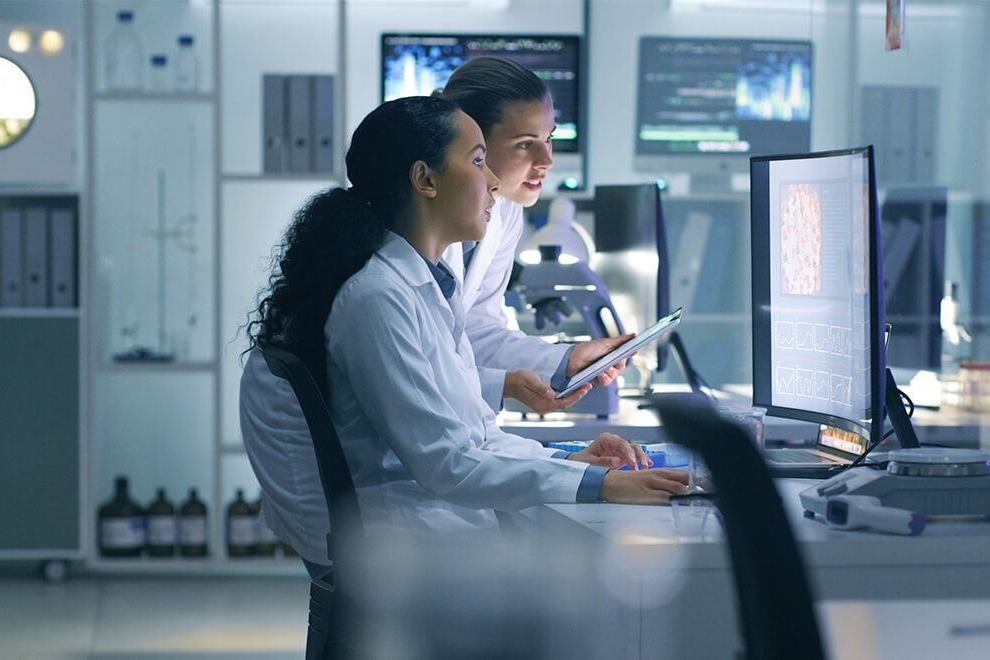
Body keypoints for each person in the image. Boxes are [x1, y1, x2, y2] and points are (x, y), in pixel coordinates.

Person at [240, 97, 687, 574]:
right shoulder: (376, 297)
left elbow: (473, 435)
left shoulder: (427, 284)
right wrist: (600, 485)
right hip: (411, 542)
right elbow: (448, 463)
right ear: (425, 179)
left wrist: (574, 460)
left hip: (434, 524)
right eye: (478, 161)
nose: (494, 181)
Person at [435, 55, 617, 415]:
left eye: (549, 139)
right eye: (525, 144)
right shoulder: (410, 230)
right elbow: (424, 363)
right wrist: (505, 386)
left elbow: (475, 328)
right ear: (470, 143)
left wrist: (564, 359)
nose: (547, 161)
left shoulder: (505, 208)